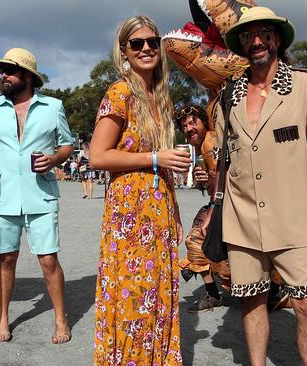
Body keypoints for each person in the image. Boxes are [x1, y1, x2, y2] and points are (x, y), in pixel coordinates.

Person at [203, 7, 307, 365]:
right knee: (252, 302)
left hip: (294, 220)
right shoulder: (229, 95)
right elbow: (224, 158)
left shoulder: (305, 85)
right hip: (241, 221)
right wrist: (214, 207)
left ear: (277, 39)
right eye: (247, 35)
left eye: (264, 33)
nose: (256, 41)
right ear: (240, 42)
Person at [90, 15, 191, 365]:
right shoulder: (120, 92)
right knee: (134, 294)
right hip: (129, 215)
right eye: (137, 43)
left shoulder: (160, 98)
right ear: (124, 52)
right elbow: (97, 155)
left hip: (159, 208)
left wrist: (175, 211)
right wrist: (154, 156)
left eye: (152, 41)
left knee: (157, 291)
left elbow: (163, 165)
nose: (146, 48)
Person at [0, 48, 74, 345]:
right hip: (3, 195)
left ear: (28, 76)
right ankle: (3, 318)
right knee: (6, 258)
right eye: (2, 70)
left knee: (48, 260)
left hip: (41, 193)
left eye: (10, 70)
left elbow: (67, 145)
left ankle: (60, 319)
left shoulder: (53, 106)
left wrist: (54, 160)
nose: (4, 75)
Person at [174, 104, 231, 312]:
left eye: (192, 122)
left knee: (196, 239)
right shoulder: (204, 147)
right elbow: (214, 178)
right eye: (184, 126)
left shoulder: (210, 142)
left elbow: (223, 177)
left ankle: (214, 294)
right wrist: (204, 181)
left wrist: (213, 209)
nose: (189, 128)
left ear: (204, 122)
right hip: (221, 202)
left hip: (226, 204)